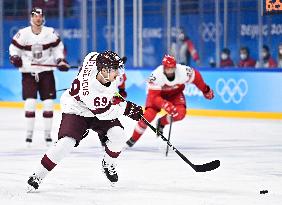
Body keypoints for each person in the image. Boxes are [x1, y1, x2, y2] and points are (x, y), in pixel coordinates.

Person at [26, 50, 143, 191]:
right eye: (115, 70)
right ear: (104, 70)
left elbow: (92, 55)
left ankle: (108, 163)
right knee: (66, 144)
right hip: (77, 109)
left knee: (118, 135)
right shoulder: (91, 91)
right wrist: (128, 109)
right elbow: (104, 113)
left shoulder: (93, 58)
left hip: (99, 106)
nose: (118, 74)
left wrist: (113, 96)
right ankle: (38, 175)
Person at [9, 7, 70, 145]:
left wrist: (60, 60)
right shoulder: (22, 34)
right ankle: (29, 136)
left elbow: (58, 49)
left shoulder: (50, 33)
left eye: (40, 16)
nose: (38, 18)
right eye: (35, 16)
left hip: (46, 73)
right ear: (31, 18)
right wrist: (15, 57)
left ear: (43, 18)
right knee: (30, 103)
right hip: (28, 73)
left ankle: (47, 136)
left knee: (48, 104)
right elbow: (14, 49)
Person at [126, 55, 214, 147]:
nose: (170, 72)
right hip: (157, 96)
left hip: (175, 94)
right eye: (168, 69)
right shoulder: (155, 75)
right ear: (164, 68)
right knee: (147, 117)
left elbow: (197, 77)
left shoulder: (183, 71)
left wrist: (206, 90)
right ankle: (133, 139)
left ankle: (161, 122)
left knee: (180, 114)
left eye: (172, 69)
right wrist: (165, 104)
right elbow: (153, 98)